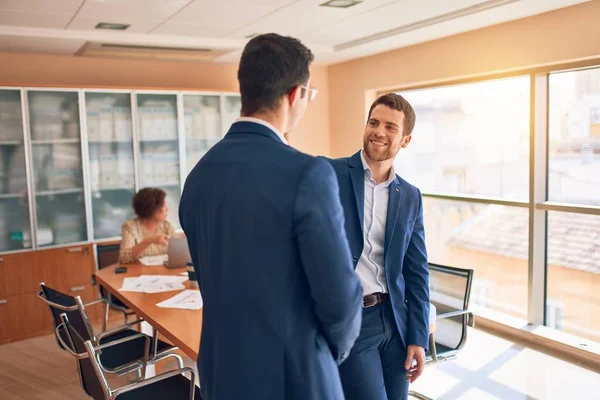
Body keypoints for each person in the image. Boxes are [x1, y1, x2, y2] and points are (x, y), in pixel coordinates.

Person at [179, 33, 363, 400]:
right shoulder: (308, 174)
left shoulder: (199, 175)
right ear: (295, 94)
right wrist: (331, 353)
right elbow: (340, 297)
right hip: (292, 377)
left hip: (220, 373)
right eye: (309, 96)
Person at [325, 93, 430, 400]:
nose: (379, 132)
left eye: (390, 127)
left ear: (405, 140)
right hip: (353, 319)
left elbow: (417, 271)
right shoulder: (330, 173)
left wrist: (417, 337)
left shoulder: (410, 195)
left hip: (395, 321)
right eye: (373, 122)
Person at [118, 187, 174, 264]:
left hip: (165, 272)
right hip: (137, 273)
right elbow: (124, 258)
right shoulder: (130, 227)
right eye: (163, 207)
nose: (167, 210)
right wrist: (149, 240)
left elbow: (178, 252)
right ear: (153, 209)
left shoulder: (166, 226)